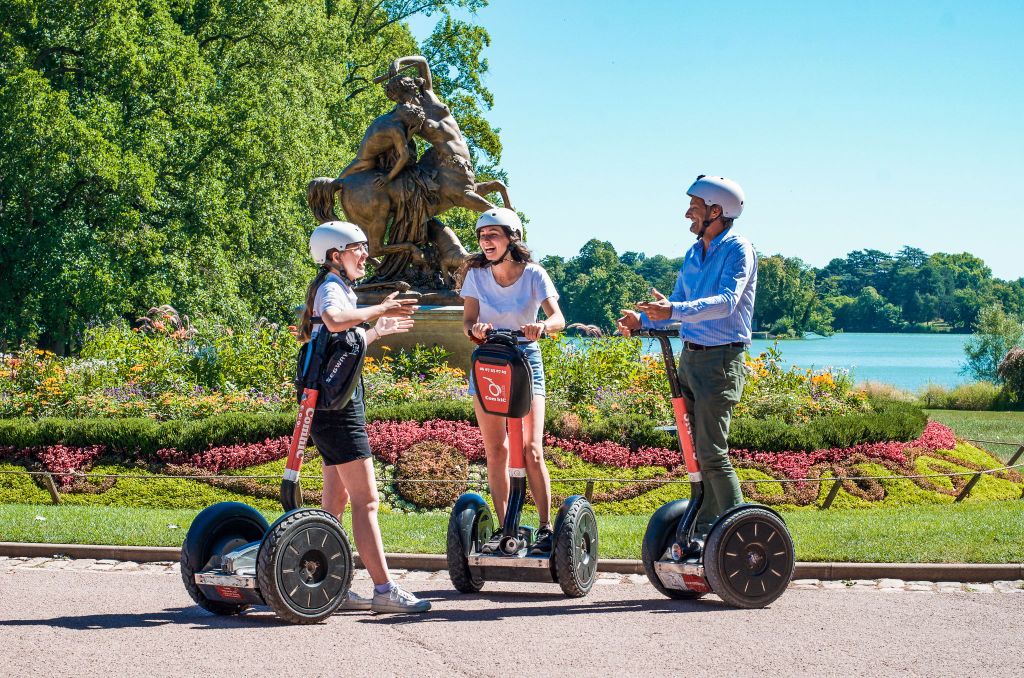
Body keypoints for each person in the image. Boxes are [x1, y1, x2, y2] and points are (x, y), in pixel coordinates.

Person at [297, 220, 430, 613]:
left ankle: (325, 585)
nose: (366, 255)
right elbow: (335, 320)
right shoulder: (331, 287)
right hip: (339, 412)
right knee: (367, 501)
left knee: (334, 503)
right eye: (359, 249)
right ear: (335, 255)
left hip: (330, 407)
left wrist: (377, 330)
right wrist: (380, 308)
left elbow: (343, 343)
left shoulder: (337, 287)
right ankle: (384, 590)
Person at [617, 175, 757, 542]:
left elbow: (727, 302)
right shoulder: (694, 253)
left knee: (712, 452)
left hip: (721, 360)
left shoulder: (738, 250)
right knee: (695, 452)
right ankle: (707, 529)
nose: (687, 214)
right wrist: (642, 320)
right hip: (690, 359)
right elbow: (676, 305)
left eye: (694, 207)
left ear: (716, 210)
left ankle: (737, 533)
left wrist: (674, 309)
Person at [460, 207, 565, 555]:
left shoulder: (534, 274)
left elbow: (558, 318)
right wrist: (475, 330)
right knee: (496, 449)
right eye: (481, 236)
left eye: (492, 234)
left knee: (531, 449)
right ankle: (506, 528)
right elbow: (468, 322)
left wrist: (542, 327)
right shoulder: (476, 274)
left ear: (512, 238)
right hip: (489, 359)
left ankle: (546, 527)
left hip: (525, 358)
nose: (485, 241)